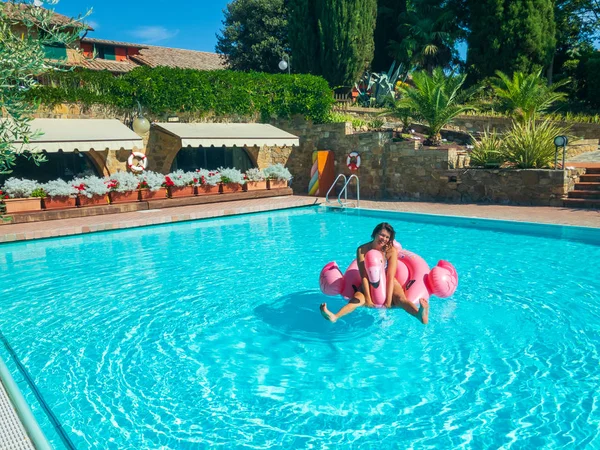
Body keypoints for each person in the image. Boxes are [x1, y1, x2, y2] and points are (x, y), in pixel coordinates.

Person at [320, 222, 429, 324]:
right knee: (357, 299)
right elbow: (364, 276)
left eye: (387, 237)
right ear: (375, 233)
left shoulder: (391, 251)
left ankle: (419, 314)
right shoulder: (362, 250)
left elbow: (390, 276)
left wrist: (389, 300)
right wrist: (367, 297)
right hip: (368, 279)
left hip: (388, 280)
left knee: (400, 299)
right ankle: (335, 316)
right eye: (382, 235)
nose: (384, 239)